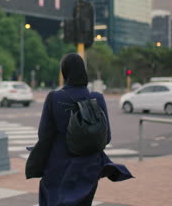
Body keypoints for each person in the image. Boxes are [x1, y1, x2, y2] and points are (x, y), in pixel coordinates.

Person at [26, 53, 133, 206]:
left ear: (65, 72)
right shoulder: (97, 98)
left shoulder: (54, 98)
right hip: (88, 168)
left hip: (58, 167)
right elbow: (106, 138)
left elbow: (44, 135)